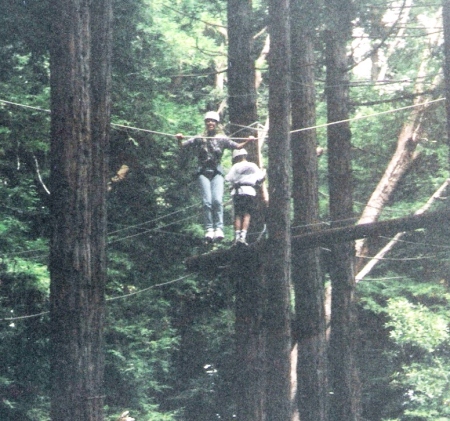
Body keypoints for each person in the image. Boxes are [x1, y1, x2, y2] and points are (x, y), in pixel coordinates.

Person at [176, 111, 255, 243]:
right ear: (205, 123)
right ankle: (209, 229)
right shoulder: (199, 138)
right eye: (208, 121)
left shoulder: (222, 139)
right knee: (207, 202)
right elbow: (183, 147)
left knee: (217, 201)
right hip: (203, 172)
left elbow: (236, 146)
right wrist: (179, 139)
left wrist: (248, 141)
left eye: (213, 121)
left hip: (216, 172)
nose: (210, 123)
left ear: (217, 123)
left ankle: (219, 229)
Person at [225, 148, 265, 246]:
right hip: (249, 191)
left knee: (238, 214)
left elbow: (228, 178)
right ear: (245, 155)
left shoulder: (235, 166)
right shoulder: (253, 166)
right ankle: (243, 236)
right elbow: (261, 178)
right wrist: (264, 171)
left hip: (238, 192)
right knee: (247, 214)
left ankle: (237, 237)